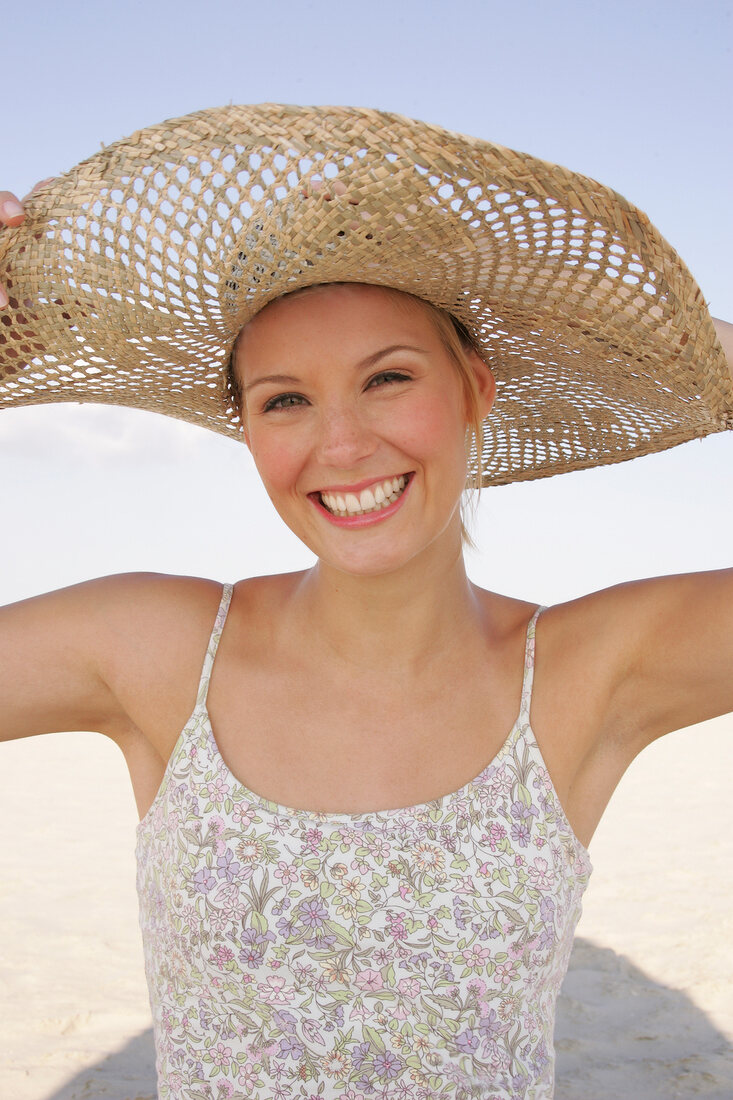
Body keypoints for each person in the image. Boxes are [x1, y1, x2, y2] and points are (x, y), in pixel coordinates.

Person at [1, 104, 732, 1100]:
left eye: (387, 377)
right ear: (246, 428)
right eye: (284, 398)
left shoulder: (584, 668)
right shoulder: (154, 647)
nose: (341, 446)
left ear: (475, 388)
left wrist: (695, 353)